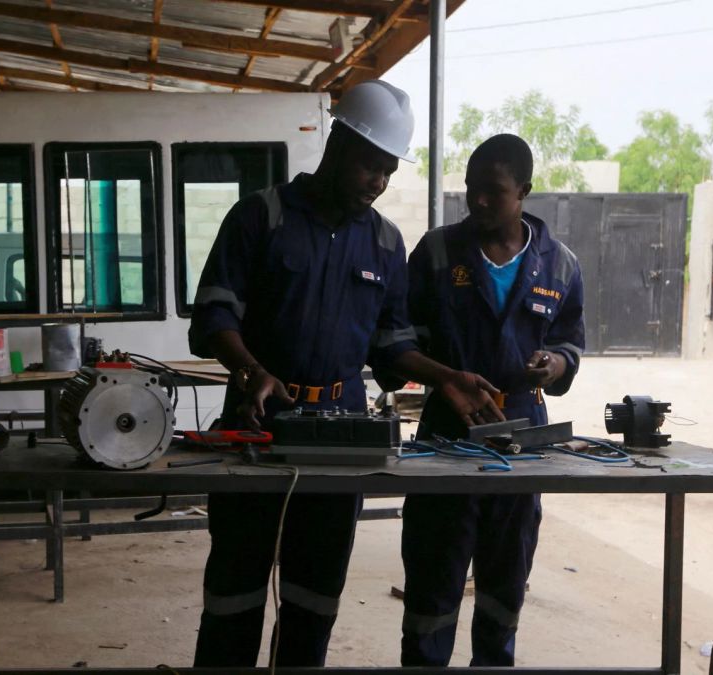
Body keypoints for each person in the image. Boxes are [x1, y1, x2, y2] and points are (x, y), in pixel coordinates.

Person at [187, 80, 503, 668]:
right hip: (256, 432)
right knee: (234, 596)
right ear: (338, 141)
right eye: (370, 166)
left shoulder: (385, 243)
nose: (378, 182)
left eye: (389, 171)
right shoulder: (262, 216)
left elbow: (392, 346)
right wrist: (252, 369)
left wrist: (445, 376)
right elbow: (212, 316)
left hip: (340, 439)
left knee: (314, 598)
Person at [399, 133, 586, 667]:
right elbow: (398, 340)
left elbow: (571, 341)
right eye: (470, 189)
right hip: (447, 433)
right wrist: (443, 376)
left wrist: (556, 364)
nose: (477, 201)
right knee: (432, 587)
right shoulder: (436, 252)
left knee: (505, 587)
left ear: (524, 191)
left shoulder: (561, 265)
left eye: (493, 192)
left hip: (524, 436)